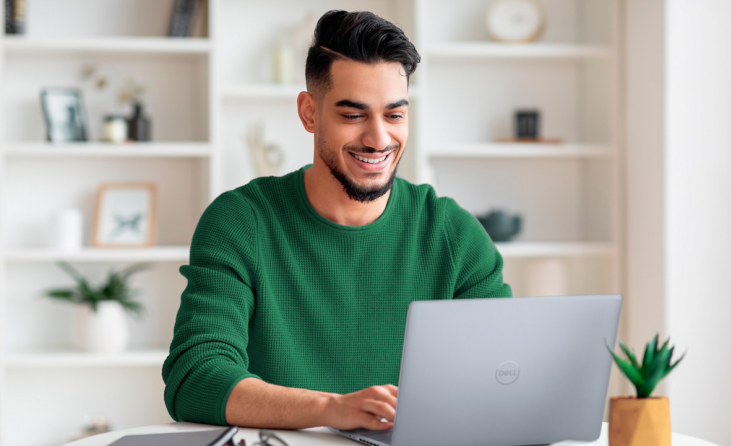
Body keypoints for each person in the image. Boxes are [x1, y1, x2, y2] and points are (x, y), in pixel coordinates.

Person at [162, 9, 512, 432]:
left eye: (395, 115)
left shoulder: (452, 233)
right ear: (309, 113)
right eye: (353, 115)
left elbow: (505, 374)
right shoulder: (241, 222)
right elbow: (195, 376)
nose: (379, 138)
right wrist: (331, 409)